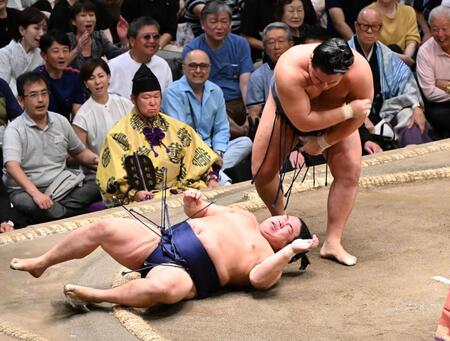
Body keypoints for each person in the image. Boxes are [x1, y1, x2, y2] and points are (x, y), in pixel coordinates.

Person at [9, 189, 319, 308]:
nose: (279, 223)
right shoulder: (245, 215)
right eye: (284, 218)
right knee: (105, 227)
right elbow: (200, 213)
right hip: (162, 241)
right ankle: (42, 262)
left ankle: (98, 296)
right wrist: (193, 203)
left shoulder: (270, 260)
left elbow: (258, 280)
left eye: (286, 229)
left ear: (288, 244)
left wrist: (290, 253)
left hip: (186, 274)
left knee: (163, 287)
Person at [252, 38, 373, 266]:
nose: (322, 87)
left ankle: (333, 242)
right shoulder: (289, 68)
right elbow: (305, 121)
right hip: (287, 112)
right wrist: (347, 110)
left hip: (337, 116)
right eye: (316, 79)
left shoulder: (360, 72)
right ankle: (282, 224)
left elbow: (360, 115)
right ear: (310, 61)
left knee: (350, 172)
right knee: (262, 172)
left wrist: (325, 141)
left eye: (331, 83)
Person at [96, 64, 220, 207]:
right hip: (141, 199)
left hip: (181, 191)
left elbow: (200, 158)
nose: (153, 102)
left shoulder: (178, 128)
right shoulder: (118, 135)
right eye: (146, 97)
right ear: (133, 99)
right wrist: (135, 193)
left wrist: (211, 179)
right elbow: (113, 178)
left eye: (156, 96)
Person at [2, 72, 100, 224]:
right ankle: (72, 214)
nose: (40, 100)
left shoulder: (60, 120)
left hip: (62, 185)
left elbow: (79, 152)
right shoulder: (14, 129)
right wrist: (36, 194)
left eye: (44, 93)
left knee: (97, 182)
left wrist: (97, 160)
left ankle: (60, 213)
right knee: (26, 203)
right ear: (21, 101)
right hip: (29, 190)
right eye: (33, 95)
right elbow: (12, 166)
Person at [162, 49, 252, 184]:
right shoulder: (172, 93)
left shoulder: (215, 91)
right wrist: (209, 156)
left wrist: (218, 152)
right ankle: (217, 176)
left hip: (212, 149)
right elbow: (182, 134)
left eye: (203, 66)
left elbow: (221, 128)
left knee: (245, 143)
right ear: (184, 68)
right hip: (187, 152)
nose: (198, 70)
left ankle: (209, 172)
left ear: (209, 68)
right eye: (193, 66)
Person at [348, 7, 430, 149]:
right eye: (365, 25)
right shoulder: (344, 54)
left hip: (384, 108)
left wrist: (416, 107)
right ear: (356, 26)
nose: (369, 30)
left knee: (410, 116)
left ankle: (414, 155)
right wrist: (362, 118)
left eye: (375, 26)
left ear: (380, 29)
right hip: (354, 111)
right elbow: (339, 92)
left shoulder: (387, 55)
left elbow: (405, 81)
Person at [182, 1, 254, 140]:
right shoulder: (192, 50)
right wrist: (237, 128)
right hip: (208, 102)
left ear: (230, 24)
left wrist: (249, 112)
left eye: (224, 21)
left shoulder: (240, 44)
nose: (219, 27)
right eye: (213, 22)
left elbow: (245, 82)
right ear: (203, 24)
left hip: (238, 100)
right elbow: (198, 90)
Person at [72, 58, 133, 170]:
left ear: (109, 77)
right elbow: (80, 153)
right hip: (101, 170)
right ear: (86, 84)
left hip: (132, 163)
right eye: (91, 78)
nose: (98, 82)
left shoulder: (125, 103)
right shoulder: (82, 117)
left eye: (101, 76)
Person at [108, 16, 172, 99]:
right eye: (146, 37)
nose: (152, 41)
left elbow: (167, 99)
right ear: (132, 41)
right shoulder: (113, 66)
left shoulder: (163, 65)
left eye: (156, 37)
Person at [35, 30, 86, 121]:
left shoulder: (75, 76)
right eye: (56, 51)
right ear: (44, 55)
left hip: (66, 128)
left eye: (65, 50)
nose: (62, 56)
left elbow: (77, 112)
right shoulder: (36, 78)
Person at [416, 5, 450, 139]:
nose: (440, 34)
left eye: (444, 29)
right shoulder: (425, 52)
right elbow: (429, 92)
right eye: (434, 30)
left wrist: (445, 85)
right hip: (438, 105)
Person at [66, 0, 128, 71]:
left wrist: (123, 39)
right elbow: (58, 64)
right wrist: (77, 49)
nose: (89, 19)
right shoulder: (67, 39)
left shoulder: (98, 36)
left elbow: (119, 58)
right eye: (83, 15)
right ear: (73, 21)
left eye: (91, 15)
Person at [0, 6, 47, 95]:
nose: (41, 33)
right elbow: (2, 89)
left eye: (44, 29)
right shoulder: (4, 54)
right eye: (36, 28)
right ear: (22, 30)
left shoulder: (40, 55)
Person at [367, 0, 421, 66]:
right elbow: (368, 46)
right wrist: (400, 58)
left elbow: (412, 39)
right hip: (377, 63)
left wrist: (406, 57)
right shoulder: (367, 12)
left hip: (403, 64)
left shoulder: (408, 11)